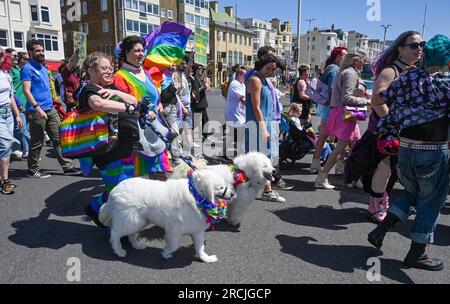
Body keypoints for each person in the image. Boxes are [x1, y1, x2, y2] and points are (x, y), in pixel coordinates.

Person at [368, 34, 450, 271]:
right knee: (431, 202)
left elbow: (381, 98)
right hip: (433, 152)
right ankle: (418, 253)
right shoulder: (444, 85)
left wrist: (396, 120)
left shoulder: (408, 77)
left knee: (413, 194)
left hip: (406, 149)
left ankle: (381, 228)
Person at [345, 31, 423, 222]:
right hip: (386, 132)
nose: (419, 49)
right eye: (413, 45)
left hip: (406, 132)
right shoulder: (391, 71)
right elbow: (377, 100)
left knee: (398, 169)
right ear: (400, 49)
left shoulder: (416, 70)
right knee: (385, 167)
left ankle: (386, 202)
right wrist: (393, 124)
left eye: (422, 44)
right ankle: (376, 205)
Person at [77, 52, 143, 227]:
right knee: (117, 190)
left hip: (127, 146)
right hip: (108, 151)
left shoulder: (110, 88)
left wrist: (114, 92)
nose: (109, 71)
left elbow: (135, 100)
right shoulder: (89, 89)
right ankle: (114, 227)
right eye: (104, 68)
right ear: (91, 70)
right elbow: (97, 104)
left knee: (126, 188)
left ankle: (95, 209)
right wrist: (128, 108)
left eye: (110, 68)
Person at [112, 36, 173, 180]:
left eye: (142, 50)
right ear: (126, 53)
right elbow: (122, 106)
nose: (141, 54)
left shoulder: (144, 72)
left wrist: (158, 103)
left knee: (159, 173)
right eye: (136, 51)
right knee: (137, 177)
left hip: (154, 128)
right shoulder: (119, 77)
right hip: (135, 130)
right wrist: (143, 112)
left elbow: (153, 94)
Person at [21, 39, 80, 178]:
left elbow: (69, 65)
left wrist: (77, 52)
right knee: (37, 141)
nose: (41, 53)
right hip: (36, 111)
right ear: (30, 52)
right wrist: (37, 108)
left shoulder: (43, 68)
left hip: (50, 109)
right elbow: (26, 91)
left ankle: (67, 167)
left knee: (59, 138)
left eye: (42, 50)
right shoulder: (27, 69)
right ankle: (33, 169)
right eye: (38, 51)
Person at [314, 50, 371, 189]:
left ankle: (351, 176)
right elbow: (347, 98)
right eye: (363, 59)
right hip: (346, 114)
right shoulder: (350, 73)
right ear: (356, 60)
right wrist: (366, 101)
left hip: (344, 113)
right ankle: (323, 176)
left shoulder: (345, 72)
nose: (365, 62)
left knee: (353, 146)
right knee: (341, 147)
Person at [246, 46, 293, 191]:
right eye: (269, 68)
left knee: (263, 159)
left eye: (274, 69)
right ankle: (265, 189)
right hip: (259, 125)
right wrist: (263, 128)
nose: (272, 72)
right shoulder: (255, 79)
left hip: (267, 123)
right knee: (257, 159)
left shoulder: (264, 79)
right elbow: (256, 107)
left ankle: (265, 189)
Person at [310, 47, 348, 174]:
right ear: (338, 56)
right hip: (331, 107)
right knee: (342, 136)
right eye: (344, 56)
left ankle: (317, 162)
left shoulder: (329, 67)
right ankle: (338, 164)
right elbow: (333, 89)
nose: (345, 59)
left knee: (325, 135)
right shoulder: (334, 69)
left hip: (327, 107)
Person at [0, 48, 23, 194]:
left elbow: (11, 96)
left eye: (2, 53)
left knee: (5, 148)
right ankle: (4, 181)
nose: (2, 56)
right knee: (6, 144)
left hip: (8, 112)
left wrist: (17, 115)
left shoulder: (6, 73)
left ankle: (4, 179)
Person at [6, 49, 30, 161]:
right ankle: (26, 151)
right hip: (18, 104)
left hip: (28, 103)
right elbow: (12, 89)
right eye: (25, 58)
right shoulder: (11, 70)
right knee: (22, 129)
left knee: (25, 129)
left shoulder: (23, 69)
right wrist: (18, 102)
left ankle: (18, 150)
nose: (16, 58)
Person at [173, 56, 197, 153]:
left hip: (187, 106)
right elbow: (176, 94)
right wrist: (182, 108)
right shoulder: (175, 75)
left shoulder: (184, 74)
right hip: (180, 108)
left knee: (188, 130)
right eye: (182, 63)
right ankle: (186, 153)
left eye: (185, 63)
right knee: (181, 131)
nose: (184, 65)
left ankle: (190, 153)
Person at [224, 66, 247, 157]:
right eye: (245, 74)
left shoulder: (242, 84)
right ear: (239, 75)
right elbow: (243, 99)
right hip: (234, 114)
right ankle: (239, 155)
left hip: (239, 114)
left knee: (231, 134)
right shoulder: (235, 84)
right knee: (239, 134)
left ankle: (223, 153)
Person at [191, 64, 214, 144]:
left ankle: (206, 136)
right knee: (198, 122)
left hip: (202, 104)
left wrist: (206, 86)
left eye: (202, 69)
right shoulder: (194, 79)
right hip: (198, 104)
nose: (201, 70)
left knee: (205, 120)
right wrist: (204, 87)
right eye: (199, 69)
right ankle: (196, 138)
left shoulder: (199, 78)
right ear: (195, 70)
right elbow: (195, 91)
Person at [61, 47, 81, 112]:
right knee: (70, 117)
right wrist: (76, 52)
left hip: (76, 99)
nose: (75, 63)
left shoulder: (73, 73)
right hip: (71, 100)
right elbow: (72, 61)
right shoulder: (65, 71)